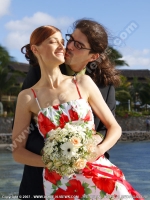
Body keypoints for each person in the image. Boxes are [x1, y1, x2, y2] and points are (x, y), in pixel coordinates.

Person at [12, 25, 143, 200]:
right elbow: (18, 149)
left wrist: (96, 150)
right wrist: (57, 159)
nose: (65, 46)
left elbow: (112, 128)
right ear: (35, 49)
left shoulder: (84, 82)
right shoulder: (27, 96)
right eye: (56, 41)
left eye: (63, 42)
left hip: (98, 173)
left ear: (93, 56)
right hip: (58, 182)